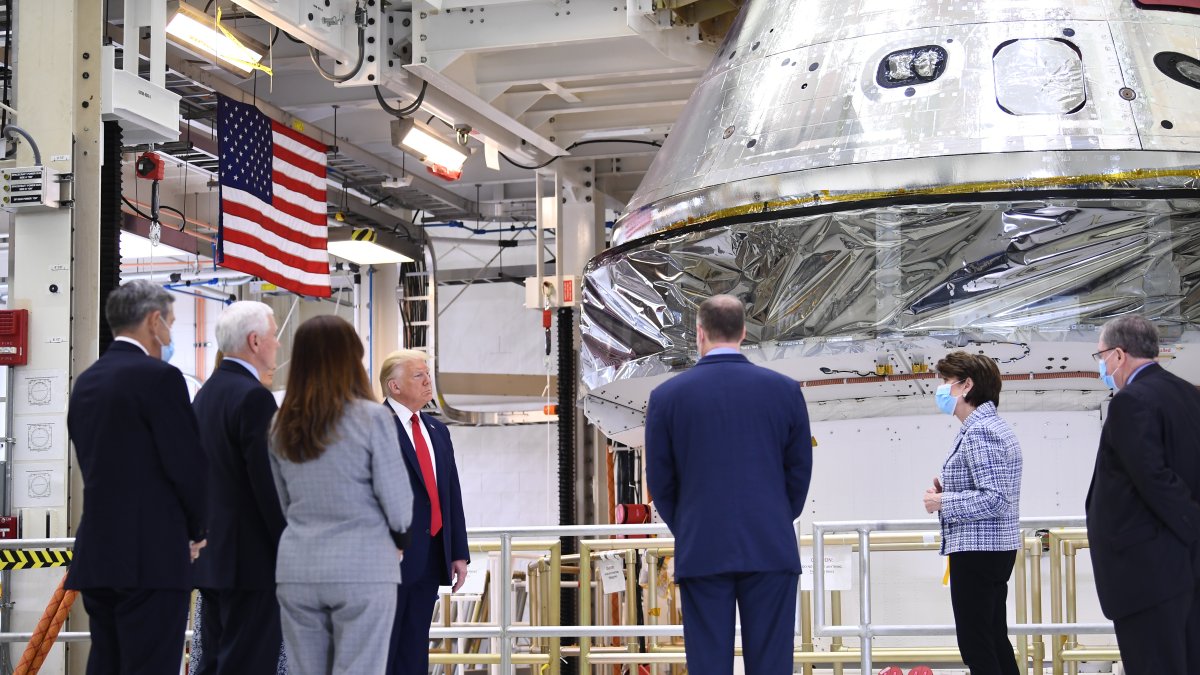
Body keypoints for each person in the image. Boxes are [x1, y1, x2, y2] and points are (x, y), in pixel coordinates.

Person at [644, 294, 813, 675]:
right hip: (770, 547)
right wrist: (774, 516)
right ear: (744, 332)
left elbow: (661, 481)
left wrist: (689, 526)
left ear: (699, 333)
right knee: (771, 665)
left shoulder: (667, 398)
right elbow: (799, 471)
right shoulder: (785, 391)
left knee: (707, 665)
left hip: (702, 547)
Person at [65, 280, 208, 674]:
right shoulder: (159, 378)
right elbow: (186, 466)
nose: (170, 333)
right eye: (171, 322)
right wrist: (197, 531)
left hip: (99, 554)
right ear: (153, 320)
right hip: (151, 558)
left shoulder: (86, 382)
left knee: (107, 663)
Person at [270, 315, 414, 675]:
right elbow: (399, 504)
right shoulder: (372, 419)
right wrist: (399, 536)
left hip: (298, 568)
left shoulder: (280, 424)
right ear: (351, 358)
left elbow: (284, 503)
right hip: (364, 567)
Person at [1086, 315, 1200, 674]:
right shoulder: (1188, 393)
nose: (1102, 366)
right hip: (1185, 569)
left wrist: (1192, 526)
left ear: (1119, 354)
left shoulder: (1130, 401)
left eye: (1101, 356)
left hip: (1147, 575)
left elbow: (1155, 480)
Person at [192, 301, 286, 675]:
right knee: (249, 662)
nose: (278, 343)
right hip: (251, 563)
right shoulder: (253, 398)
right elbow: (268, 484)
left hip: (214, 559)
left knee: (214, 661)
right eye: (274, 335)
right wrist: (289, 545)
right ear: (255, 341)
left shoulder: (206, 393)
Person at [922, 352, 1022, 675]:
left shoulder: (981, 431)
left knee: (977, 645)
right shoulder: (990, 428)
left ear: (967, 386)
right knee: (993, 639)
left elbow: (995, 499)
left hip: (978, 551)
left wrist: (943, 502)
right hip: (991, 550)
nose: (941, 389)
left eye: (946, 382)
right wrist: (947, 492)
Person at [380, 349, 471, 675]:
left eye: (427, 373)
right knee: (384, 650)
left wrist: (458, 552)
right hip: (391, 559)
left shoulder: (437, 430)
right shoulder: (376, 427)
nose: (427, 380)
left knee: (415, 649)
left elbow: (450, 495)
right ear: (394, 386)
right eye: (418, 375)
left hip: (431, 556)